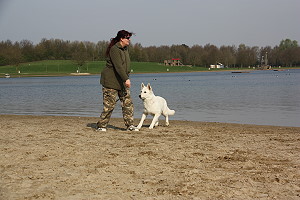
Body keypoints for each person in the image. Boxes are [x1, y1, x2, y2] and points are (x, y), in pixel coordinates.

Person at [96, 30, 138, 131]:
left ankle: (130, 125)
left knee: (127, 103)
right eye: (127, 38)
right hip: (111, 82)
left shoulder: (125, 49)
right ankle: (101, 126)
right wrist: (126, 79)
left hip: (121, 81)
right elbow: (118, 67)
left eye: (129, 38)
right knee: (109, 106)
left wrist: (125, 78)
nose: (129, 40)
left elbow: (124, 66)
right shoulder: (114, 49)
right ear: (121, 39)